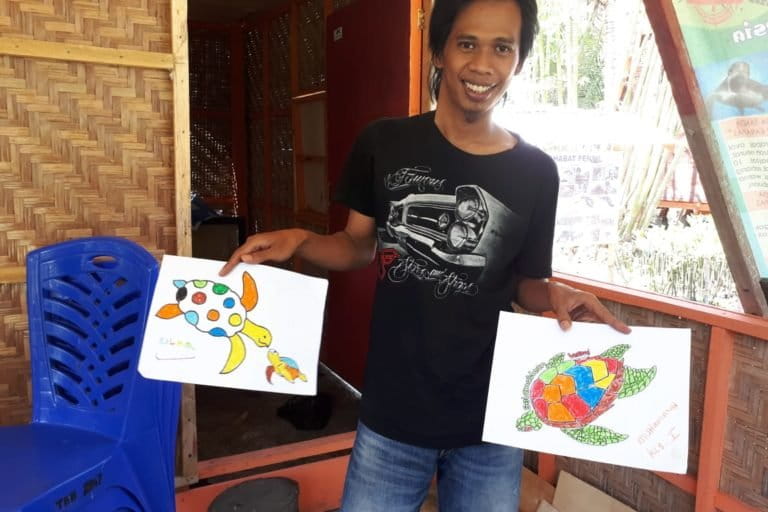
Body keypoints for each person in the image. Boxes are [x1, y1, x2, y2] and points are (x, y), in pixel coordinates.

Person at [221, 0, 630, 509]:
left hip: (490, 422)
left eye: (502, 48)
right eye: (467, 43)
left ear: (519, 60)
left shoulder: (537, 171)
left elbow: (525, 282)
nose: (483, 65)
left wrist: (556, 295)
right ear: (439, 51)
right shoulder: (384, 142)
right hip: (393, 415)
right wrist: (302, 240)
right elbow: (358, 245)